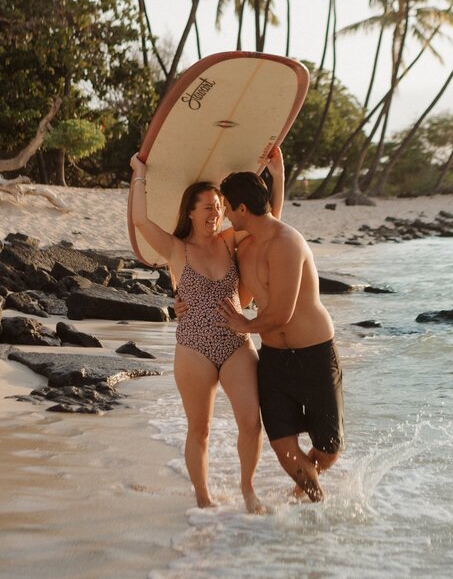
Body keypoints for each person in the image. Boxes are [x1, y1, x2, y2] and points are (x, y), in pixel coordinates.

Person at [128, 149, 285, 514]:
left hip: (236, 342)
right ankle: (203, 497)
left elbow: (270, 220)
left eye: (219, 206)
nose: (216, 213)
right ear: (190, 213)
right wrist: (139, 172)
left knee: (250, 421)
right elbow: (140, 220)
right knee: (199, 429)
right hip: (194, 348)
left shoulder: (230, 240)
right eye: (208, 207)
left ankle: (247, 489)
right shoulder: (175, 248)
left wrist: (277, 175)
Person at [217, 170, 344, 502]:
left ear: (242, 209)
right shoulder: (244, 250)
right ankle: (317, 506)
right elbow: (239, 300)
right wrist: (190, 304)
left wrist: (244, 325)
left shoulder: (288, 241)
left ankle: (302, 496)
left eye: (228, 208)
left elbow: (282, 312)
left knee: (329, 450)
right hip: (273, 359)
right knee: (283, 447)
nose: (225, 215)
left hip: (314, 353)